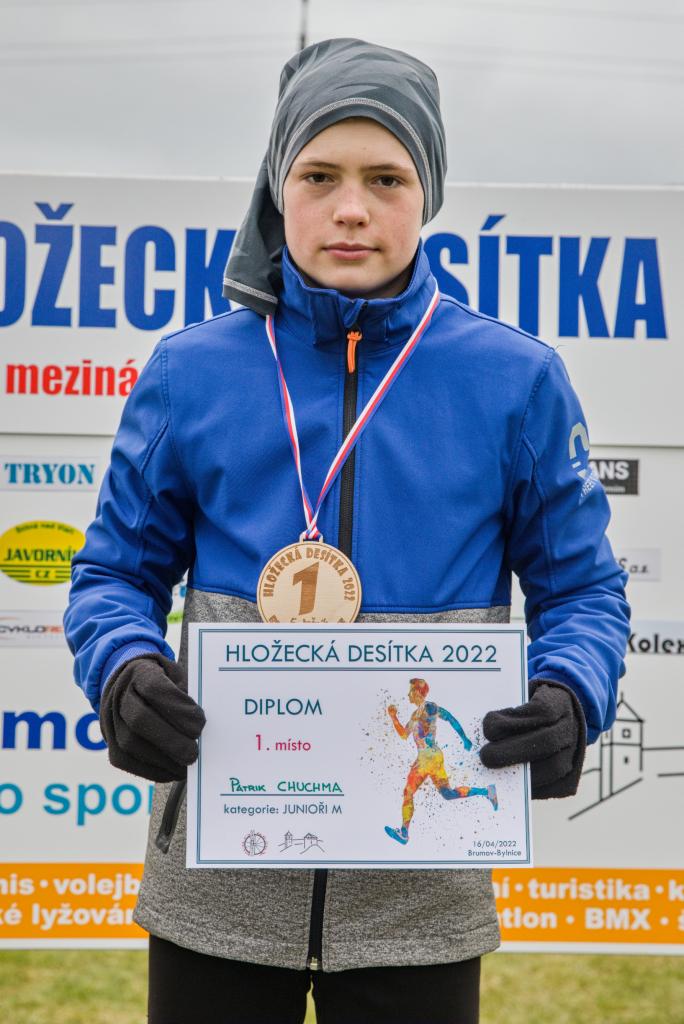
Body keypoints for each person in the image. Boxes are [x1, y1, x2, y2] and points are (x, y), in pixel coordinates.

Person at [64, 36, 630, 1024]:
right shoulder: (192, 371)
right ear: (278, 187)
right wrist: (123, 669)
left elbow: (583, 589)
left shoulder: (514, 379)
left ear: (429, 192)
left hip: (422, 889)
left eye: (387, 178)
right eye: (319, 175)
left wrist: (570, 692)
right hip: (219, 887)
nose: (353, 207)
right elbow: (112, 574)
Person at [384, 677, 497, 846]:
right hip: (431, 757)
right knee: (448, 794)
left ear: (417, 692)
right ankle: (486, 791)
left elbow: (449, 717)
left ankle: (404, 833)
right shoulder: (415, 715)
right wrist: (393, 717)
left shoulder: (429, 707)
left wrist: (464, 738)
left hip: (427, 759)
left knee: (408, 792)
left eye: (411, 691)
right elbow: (404, 734)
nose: (408, 694)